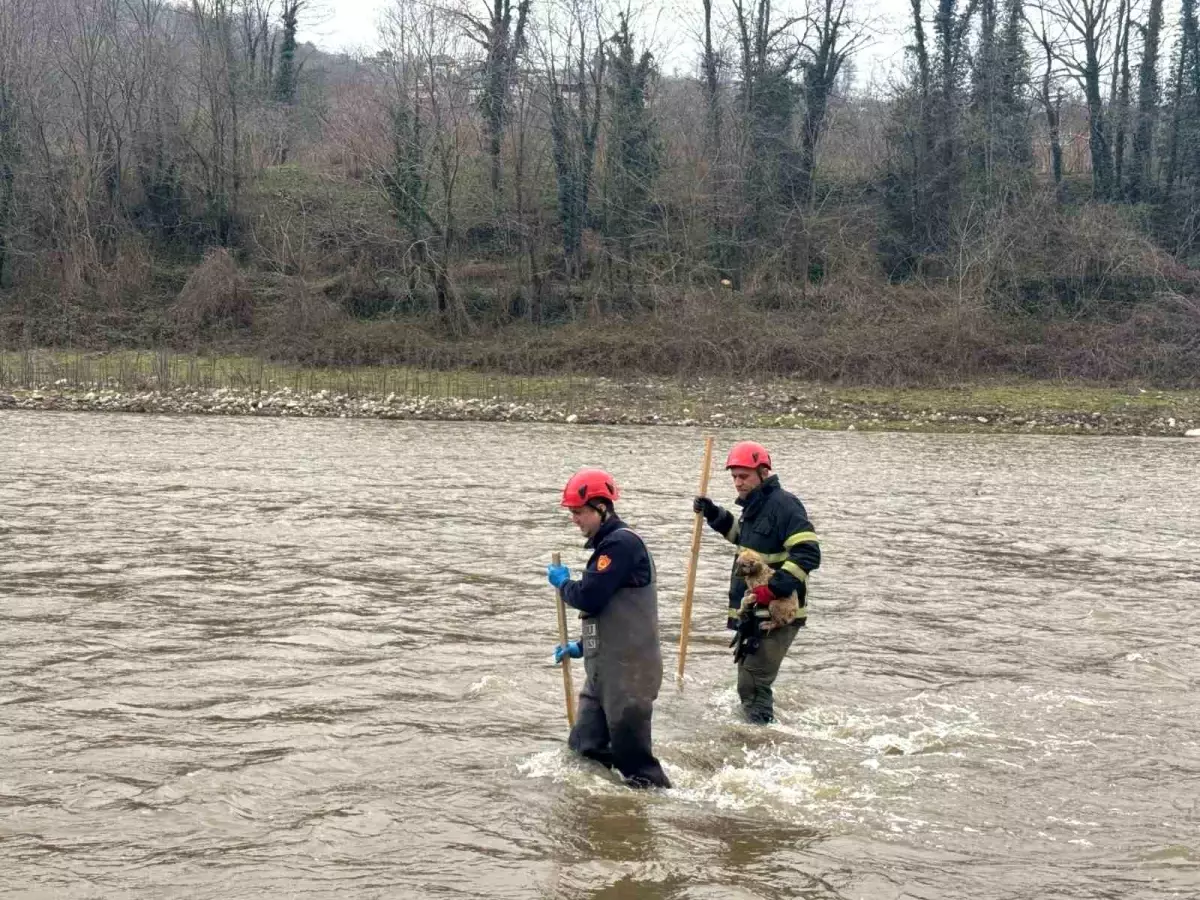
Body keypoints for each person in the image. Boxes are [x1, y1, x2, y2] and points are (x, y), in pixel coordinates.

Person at [547, 468, 671, 789]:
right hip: (604, 671)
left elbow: (590, 597)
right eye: (572, 512)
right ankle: (605, 817)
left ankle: (660, 813)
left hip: (630, 675)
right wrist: (582, 645)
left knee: (638, 768)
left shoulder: (621, 545)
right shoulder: (606, 548)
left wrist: (564, 585)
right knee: (583, 749)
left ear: (602, 508)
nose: (574, 519)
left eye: (579, 512)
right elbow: (610, 614)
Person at [693, 441, 821, 724]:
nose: (738, 483)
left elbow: (809, 553)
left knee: (752, 682)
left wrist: (773, 589)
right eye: (734, 477)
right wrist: (714, 513)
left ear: (763, 472)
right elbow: (743, 539)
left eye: (744, 476)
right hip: (754, 612)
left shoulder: (784, 505)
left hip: (777, 612)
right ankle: (754, 735)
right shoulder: (754, 507)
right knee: (747, 680)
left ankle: (761, 739)